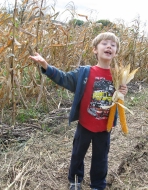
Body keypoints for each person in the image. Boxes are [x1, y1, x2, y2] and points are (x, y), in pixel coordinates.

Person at [29, 32, 128, 190]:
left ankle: (98, 184)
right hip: (85, 125)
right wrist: (46, 66)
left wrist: (123, 90)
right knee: (77, 155)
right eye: (104, 43)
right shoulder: (85, 72)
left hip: (104, 128)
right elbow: (64, 78)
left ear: (115, 52)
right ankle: (75, 181)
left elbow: (118, 98)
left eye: (113, 45)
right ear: (95, 50)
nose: (109, 46)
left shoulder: (118, 75)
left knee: (101, 158)